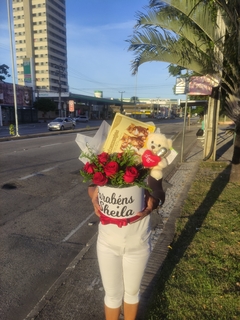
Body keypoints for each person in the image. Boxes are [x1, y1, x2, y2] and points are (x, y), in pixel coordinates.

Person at [88, 175, 165, 320]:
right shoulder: (107, 154)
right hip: (107, 243)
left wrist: (155, 202)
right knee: (112, 294)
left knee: (132, 292)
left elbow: (158, 190)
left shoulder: (148, 156)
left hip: (138, 244)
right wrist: (94, 196)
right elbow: (92, 186)